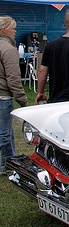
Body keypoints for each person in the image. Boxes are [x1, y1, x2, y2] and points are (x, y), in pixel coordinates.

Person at [0, 16, 28, 173]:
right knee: (5, 133)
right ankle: (7, 164)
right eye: (13, 28)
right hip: (3, 96)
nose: (15, 31)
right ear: (4, 30)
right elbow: (13, 78)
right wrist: (22, 100)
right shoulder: (8, 49)